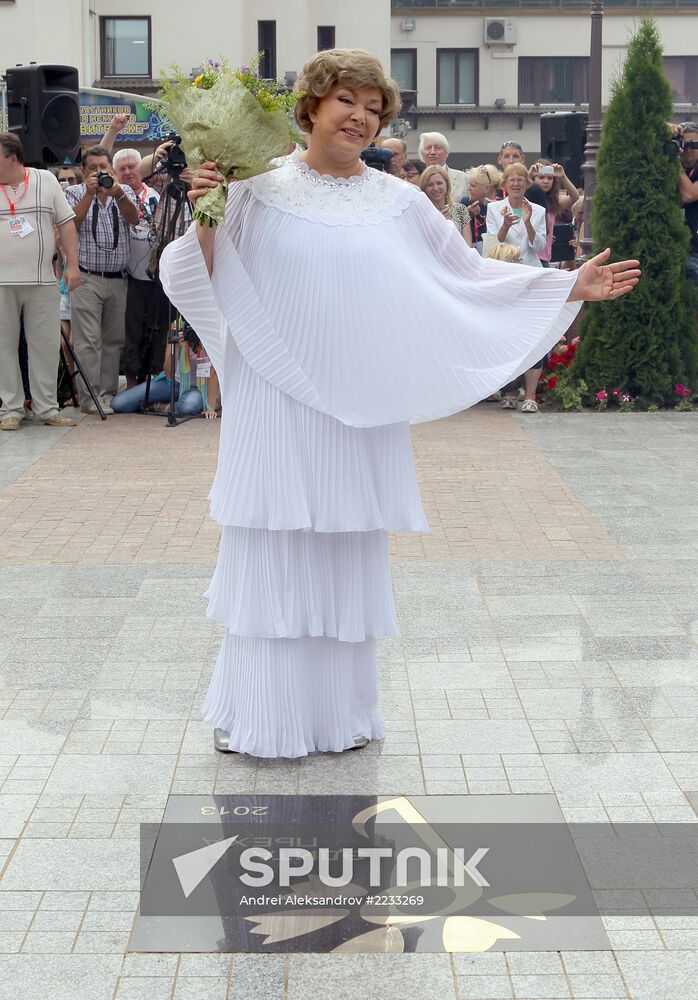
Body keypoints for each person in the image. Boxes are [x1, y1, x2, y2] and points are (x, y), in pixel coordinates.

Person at [159, 48, 640, 759]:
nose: (360, 117)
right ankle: (264, 716)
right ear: (310, 108)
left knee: (345, 552)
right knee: (275, 551)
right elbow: (191, 275)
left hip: (360, 405)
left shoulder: (402, 202)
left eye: (374, 107)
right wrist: (207, 204)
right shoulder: (254, 188)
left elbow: (465, 278)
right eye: (346, 101)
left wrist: (561, 288)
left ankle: (339, 716)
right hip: (275, 399)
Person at [0, 131, 79, 431]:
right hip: (1, 282)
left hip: (43, 279)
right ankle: (11, 409)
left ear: (12, 158)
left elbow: (66, 224)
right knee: (2, 346)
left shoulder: (45, 180)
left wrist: (73, 265)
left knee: (45, 345)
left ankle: (47, 407)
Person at [64, 145, 139, 414]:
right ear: (84, 171)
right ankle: (90, 398)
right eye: (93, 168)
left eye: (103, 167)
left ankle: (107, 395)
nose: (99, 172)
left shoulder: (124, 191)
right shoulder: (73, 192)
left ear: (111, 168)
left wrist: (118, 194)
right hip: (87, 277)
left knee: (113, 340)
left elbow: (134, 219)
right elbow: (71, 226)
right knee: (88, 341)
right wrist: (88, 193)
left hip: (118, 278)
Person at [487, 163, 549, 412]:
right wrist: (505, 224)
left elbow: (540, 246)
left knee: (533, 334)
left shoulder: (538, 210)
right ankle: (509, 390)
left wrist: (528, 222)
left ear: (527, 183)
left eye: (520, 179)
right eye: (510, 179)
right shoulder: (494, 208)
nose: (515, 183)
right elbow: (492, 243)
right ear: (504, 185)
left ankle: (530, 396)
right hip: (504, 276)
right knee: (506, 335)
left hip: (530, 276)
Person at [112, 148, 164, 388]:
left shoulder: (156, 196)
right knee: (131, 331)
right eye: (121, 169)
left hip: (157, 277)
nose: (128, 172)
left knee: (158, 329)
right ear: (114, 173)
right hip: (128, 277)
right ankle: (132, 385)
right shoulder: (111, 198)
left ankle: (155, 382)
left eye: (132, 167)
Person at [111, 322, 219, 418]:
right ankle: (171, 404)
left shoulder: (210, 329)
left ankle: (157, 406)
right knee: (118, 403)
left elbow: (212, 372)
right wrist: (175, 347)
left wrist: (210, 407)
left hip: (198, 387)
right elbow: (168, 373)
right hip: (172, 382)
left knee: (188, 408)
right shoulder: (177, 326)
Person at [419, 165, 472, 245]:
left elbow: (468, 245)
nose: (435, 188)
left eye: (439, 183)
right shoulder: (420, 213)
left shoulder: (460, 209)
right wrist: (438, 223)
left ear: (447, 184)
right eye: (430, 185)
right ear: (424, 188)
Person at [674, 121, 698, 285]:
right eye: (684, 144)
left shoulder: (675, 167)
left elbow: (689, 194)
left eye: (694, 144)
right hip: (675, 246)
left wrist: (674, 162)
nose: (688, 149)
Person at [418, 131, 468, 201]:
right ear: (422, 153)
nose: (432, 152)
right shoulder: (416, 179)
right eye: (428, 148)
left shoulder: (463, 178)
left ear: (446, 152)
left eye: (437, 147)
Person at [462, 164, 500, 251]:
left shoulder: (499, 205)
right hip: (471, 251)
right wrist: (467, 213)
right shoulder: (465, 202)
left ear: (487, 188)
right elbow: (454, 224)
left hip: (494, 252)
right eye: (469, 185)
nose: (469, 189)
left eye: (473, 186)